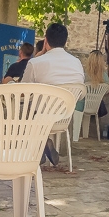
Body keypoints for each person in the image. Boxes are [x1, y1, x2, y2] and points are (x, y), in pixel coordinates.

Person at [23, 23, 86, 165]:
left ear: (45, 41)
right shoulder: (77, 63)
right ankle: (42, 144)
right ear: (65, 41)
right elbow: (81, 95)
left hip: (41, 117)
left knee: (25, 108)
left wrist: (37, 57)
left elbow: (23, 91)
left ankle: (39, 146)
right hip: (65, 116)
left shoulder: (36, 63)